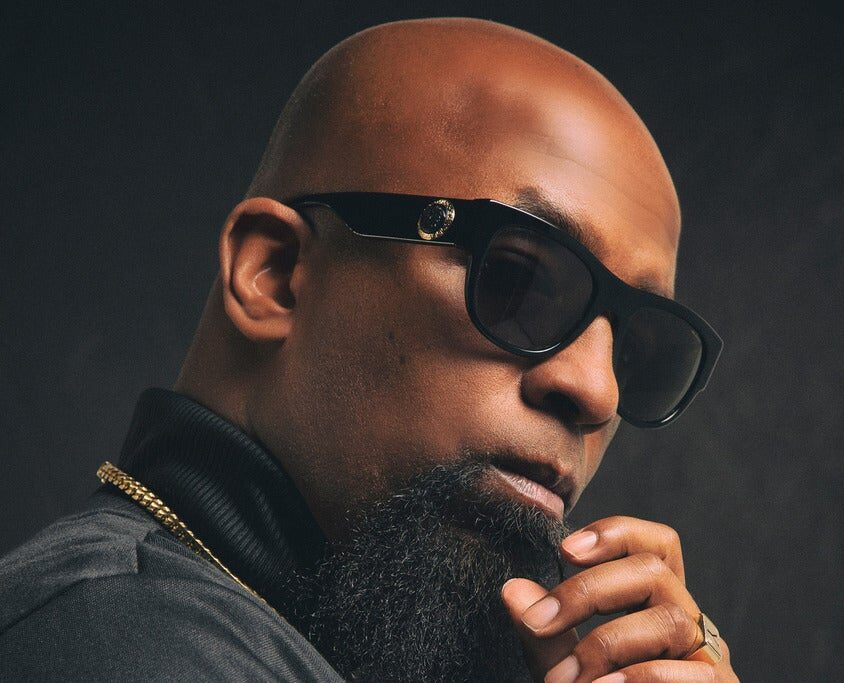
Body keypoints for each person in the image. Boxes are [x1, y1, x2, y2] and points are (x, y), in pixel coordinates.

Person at [0, 17, 739, 682]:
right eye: (518, 280)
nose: (598, 391)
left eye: (638, 351)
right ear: (276, 275)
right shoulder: (132, 645)